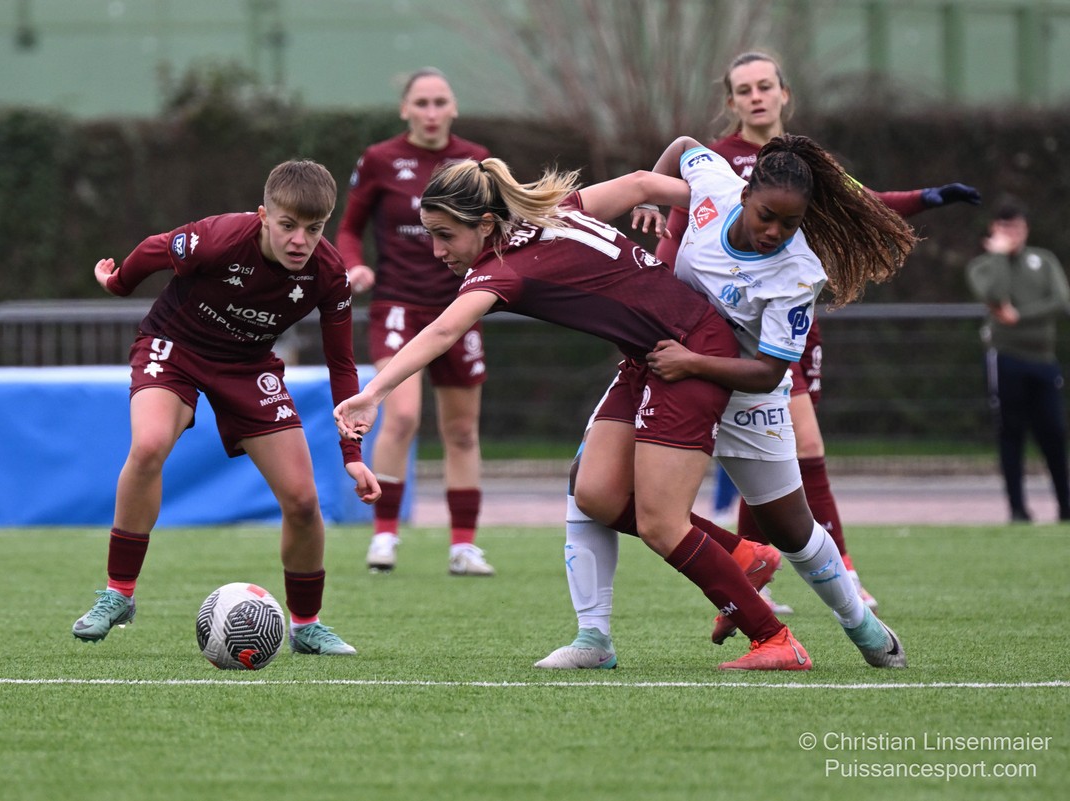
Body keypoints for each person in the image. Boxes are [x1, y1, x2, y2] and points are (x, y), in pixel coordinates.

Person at [336, 156, 813, 672]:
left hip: (689, 352)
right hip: (650, 356)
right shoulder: (552, 210)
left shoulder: (502, 270)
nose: (437, 250)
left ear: (487, 224)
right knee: (596, 494)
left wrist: (373, 393)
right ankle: (742, 556)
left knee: (660, 524)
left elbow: (443, 331)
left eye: (445, 235)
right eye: (431, 235)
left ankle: (775, 638)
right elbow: (640, 183)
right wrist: (718, 209)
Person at [555, 133, 916, 670]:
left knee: (792, 529)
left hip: (745, 397)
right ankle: (593, 637)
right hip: (666, 372)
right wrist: (657, 200)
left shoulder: (797, 273)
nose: (774, 232)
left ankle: (863, 627)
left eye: (790, 224)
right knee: (589, 486)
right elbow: (683, 146)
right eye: (767, 216)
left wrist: (692, 362)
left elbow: (769, 371)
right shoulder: (715, 186)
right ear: (745, 194)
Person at [650, 50, 981, 614]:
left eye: (765, 86)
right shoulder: (719, 161)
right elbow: (682, 234)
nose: (756, 96)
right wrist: (657, 274)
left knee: (778, 460)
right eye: (744, 89)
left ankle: (761, 575)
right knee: (797, 448)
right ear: (730, 102)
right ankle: (834, 572)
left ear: (785, 93)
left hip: (785, 329)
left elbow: (862, 205)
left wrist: (928, 198)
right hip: (729, 336)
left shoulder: (807, 166)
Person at [71, 160, 380, 656]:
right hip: (174, 347)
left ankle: (306, 626)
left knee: (303, 501)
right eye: (287, 225)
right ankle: (118, 594)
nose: (300, 240)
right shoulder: (218, 239)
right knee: (149, 446)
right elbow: (154, 249)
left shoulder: (328, 274)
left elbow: (341, 366)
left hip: (247, 365)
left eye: (314, 228)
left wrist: (353, 453)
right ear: (263, 216)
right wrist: (120, 283)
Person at [336, 67, 495, 577]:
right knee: (401, 416)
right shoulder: (380, 159)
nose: (431, 112)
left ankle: (463, 547)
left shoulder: (476, 160)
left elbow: (499, 226)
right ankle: (384, 535)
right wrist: (354, 265)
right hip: (398, 305)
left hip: (461, 305)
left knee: (462, 430)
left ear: (454, 108)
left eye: (439, 102)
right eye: (421, 103)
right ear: (405, 109)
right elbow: (349, 229)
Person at [966, 197, 1070, 523]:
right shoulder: (983, 266)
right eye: (1006, 228)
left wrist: (1020, 315)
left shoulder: (1044, 260)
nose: (1013, 234)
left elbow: (1060, 301)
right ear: (994, 229)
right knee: (1011, 434)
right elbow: (995, 296)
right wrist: (999, 256)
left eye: (1018, 228)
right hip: (1005, 359)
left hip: (1043, 360)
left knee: (1054, 433)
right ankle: (1018, 509)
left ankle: (1065, 506)